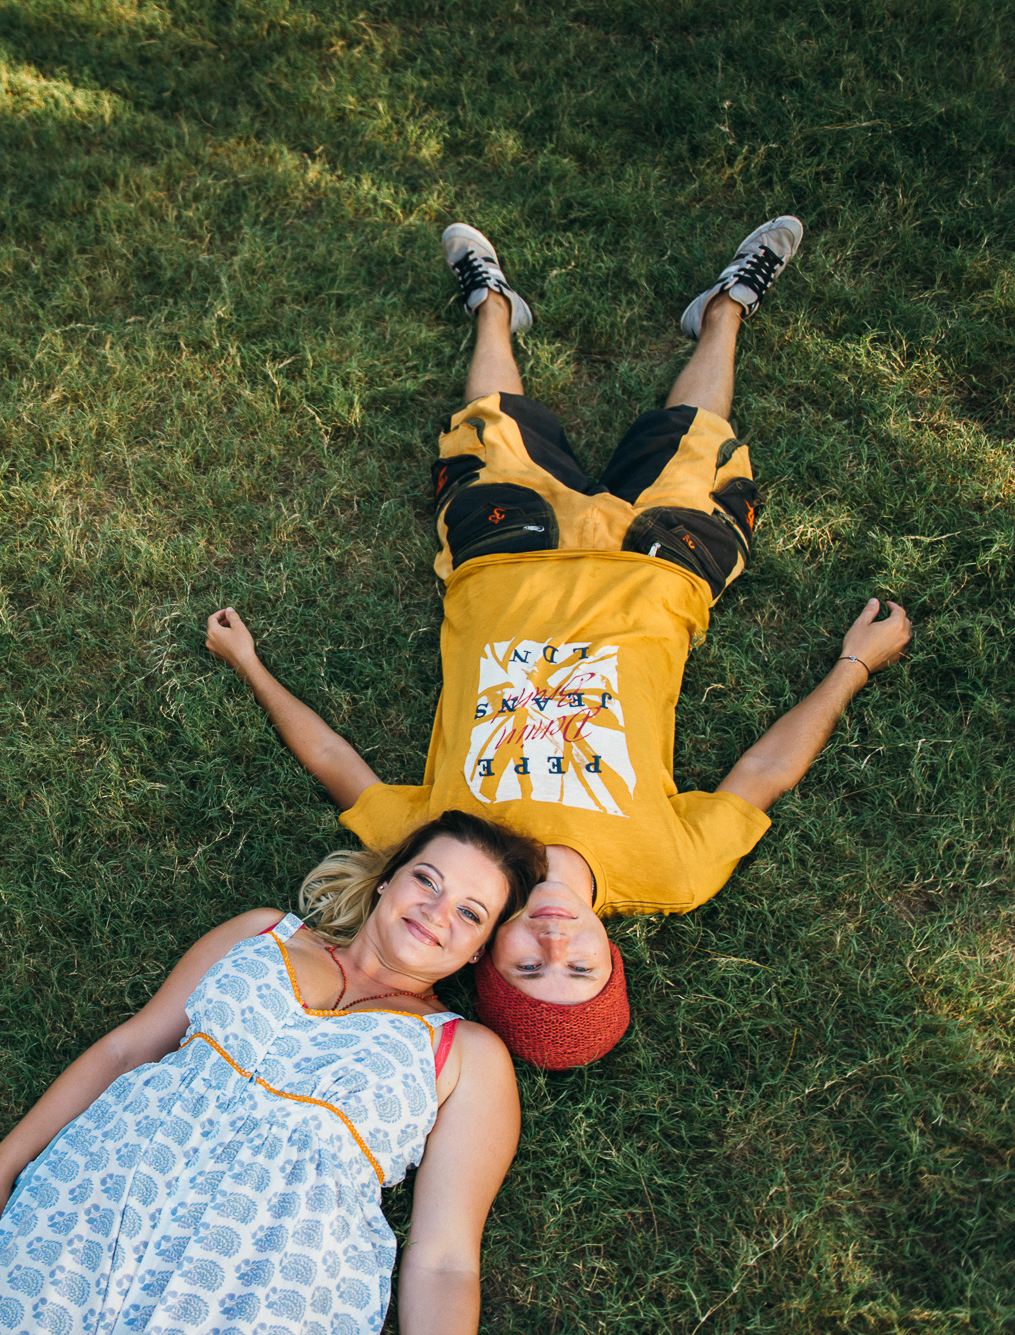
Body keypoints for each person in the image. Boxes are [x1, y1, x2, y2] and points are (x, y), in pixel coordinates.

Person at [206, 218, 912, 1069]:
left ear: (487, 958)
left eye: (529, 967)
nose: (553, 943)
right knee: (699, 434)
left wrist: (250, 665)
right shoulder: (671, 874)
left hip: (503, 560)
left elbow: (333, 761)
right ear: (612, 958)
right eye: (580, 968)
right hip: (662, 566)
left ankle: (493, 306)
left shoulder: (451, 855)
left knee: (490, 425)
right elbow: (762, 774)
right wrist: (854, 666)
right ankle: (727, 308)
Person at [0, 810, 546, 1335]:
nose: (437, 911)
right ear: (387, 880)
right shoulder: (264, 934)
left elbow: (445, 1260)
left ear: (480, 949)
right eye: (427, 880)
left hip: (256, 1282)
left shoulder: (467, 1054)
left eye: (471, 913)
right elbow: (125, 1051)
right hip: (99, 1209)